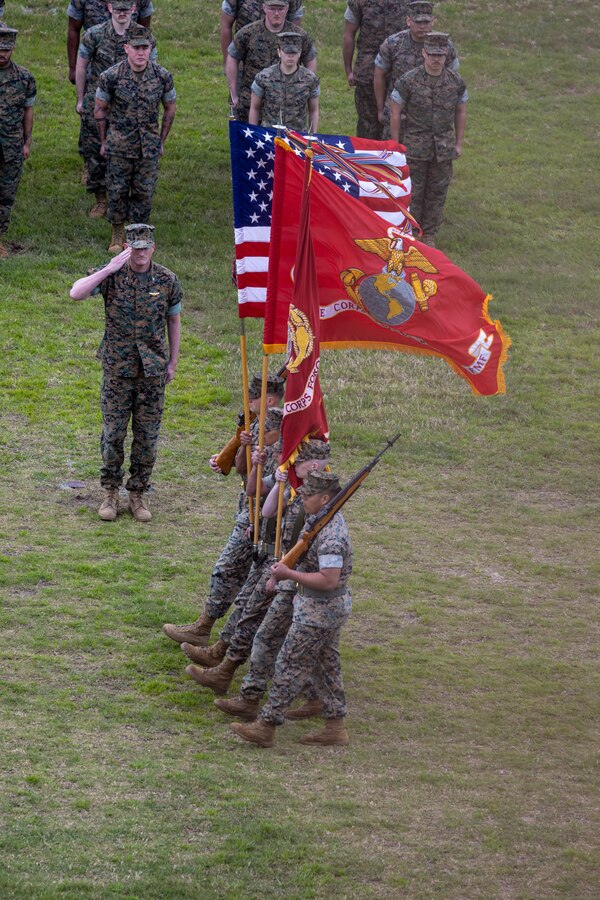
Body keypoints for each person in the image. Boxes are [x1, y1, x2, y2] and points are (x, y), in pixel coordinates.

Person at [184, 438, 332, 696]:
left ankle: (245, 684)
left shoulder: (320, 501)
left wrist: (284, 576)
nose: (291, 464)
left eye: (298, 460)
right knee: (248, 609)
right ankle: (224, 660)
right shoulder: (297, 488)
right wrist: (278, 481)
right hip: (276, 564)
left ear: (316, 465)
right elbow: (268, 510)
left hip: (293, 575)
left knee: (268, 633)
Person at [231, 470, 353, 748]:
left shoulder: (332, 535)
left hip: (320, 612)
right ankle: (335, 726)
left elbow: (328, 578)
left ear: (324, 498)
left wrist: (289, 575)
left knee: (289, 664)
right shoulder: (322, 519)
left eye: (308, 495)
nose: (302, 498)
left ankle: (267, 725)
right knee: (327, 665)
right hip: (322, 607)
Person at [69, 223, 182, 521]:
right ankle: (109, 493)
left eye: (145, 247)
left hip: (152, 373)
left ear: (153, 248)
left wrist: (172, 361)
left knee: (147, 437)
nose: (141, 253)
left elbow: (174, 321)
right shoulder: (112, 277)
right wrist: (108, 268)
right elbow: (76, 293)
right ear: (127, 248)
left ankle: (137, 495)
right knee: (113, 435)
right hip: (117, 371)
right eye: (135, 247)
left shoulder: (167, 280)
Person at [162, 374, 285, 648]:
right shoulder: (256, 427)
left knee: (232, 571)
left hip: (266, 518)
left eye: (253, 397)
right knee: (235, 573)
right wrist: (243, 443)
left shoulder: (282, 433)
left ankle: (214, 635)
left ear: (270, 400)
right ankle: (210, 631)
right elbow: (241, 469)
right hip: (249, 510)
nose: (248, 400)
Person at [94, 32, 176, 253]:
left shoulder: (162, 76)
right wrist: (104, 141)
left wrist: (161, 141)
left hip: (148, 146)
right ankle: (118, 233)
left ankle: (138, 234)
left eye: (145, 48)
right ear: (126, 48)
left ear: (150, 49)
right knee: (117, 190)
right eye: (136, 48)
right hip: (119, 145)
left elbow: (170, 108)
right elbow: (99, 109)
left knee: (144, 192)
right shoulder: (110, 76)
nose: (141, 53)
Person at [76, 1, 156, 219]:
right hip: (97, 99)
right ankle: (101, 198)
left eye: (126, 9)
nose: (122, 14)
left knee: (126, 152)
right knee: (94, 151)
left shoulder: (142, 38)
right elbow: (81, 65)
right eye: (117, 9)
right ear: (109, 8)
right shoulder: (94, 34)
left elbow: (152, 71)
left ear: (133, 9)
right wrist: (80, 99)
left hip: (129, 104)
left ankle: (126, 202)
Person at [390, 31, 466, 247]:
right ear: (423, 53)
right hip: (415, 146)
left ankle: (430, 233)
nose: (436, 60)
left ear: (446, 56)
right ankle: (413, 230)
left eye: (440, 56)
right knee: (413, 190)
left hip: (442, 147)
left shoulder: (455, 82)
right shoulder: (409, 80)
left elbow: (461, 112)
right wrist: (396, 145)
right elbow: (395, 112)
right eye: (432, 54)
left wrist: (458, 143)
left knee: (437, 190)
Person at [374, 0, 457, 139]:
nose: (423, 27)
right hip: (398, 115)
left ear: (433, 21)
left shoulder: (445, 45)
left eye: (426, 22)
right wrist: (380, 107)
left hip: (430, 118)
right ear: (408, 21)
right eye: (418, 22)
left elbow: (453, 79)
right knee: (394, 156)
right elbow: (379, 74)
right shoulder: (393, 44)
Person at [226, 0, 316, 123]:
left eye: (280, 9)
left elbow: (310, 59)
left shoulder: (298, 36)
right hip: (251, 101)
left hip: (287, 108)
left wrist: (307, 91)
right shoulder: (248, 33)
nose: (276, 13)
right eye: (272, 8)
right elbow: (232, 56)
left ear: (287, 8)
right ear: (264, 8)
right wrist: (233, 94)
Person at [343, 0, 408, 139]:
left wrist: (349, 69)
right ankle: (370, 158)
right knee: (370, 123)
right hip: (373, 72)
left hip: (396, 71)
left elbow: (349, 34)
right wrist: (348, 69)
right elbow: (349, 34)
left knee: (392, 124)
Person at [0, 23, 35, 259]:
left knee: (5, 194)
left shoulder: (24, 78)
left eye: (6, 50)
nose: (2, 54)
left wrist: (26, 142)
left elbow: (28, 111)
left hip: (10, 145)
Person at [66, 0, 152, 84]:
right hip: (94, 65)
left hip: (128, 66)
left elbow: (143, 33)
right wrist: (73, 68)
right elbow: (74, 29)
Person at [249, 31, 320, 130]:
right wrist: (254, 134)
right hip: (270, 135)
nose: (290, 56)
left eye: (294, 52)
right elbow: (254, 108)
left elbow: (314, 110)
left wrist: (312, 136)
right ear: (279, 52)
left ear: (299, 53)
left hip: (297, 136)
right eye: (286, 52)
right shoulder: (264, 77)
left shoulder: (310, 79)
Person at [220, 0, 303, 67]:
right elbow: (226, 26)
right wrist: (228, 62)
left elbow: (294, 32)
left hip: (279, 63)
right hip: (245, 63)